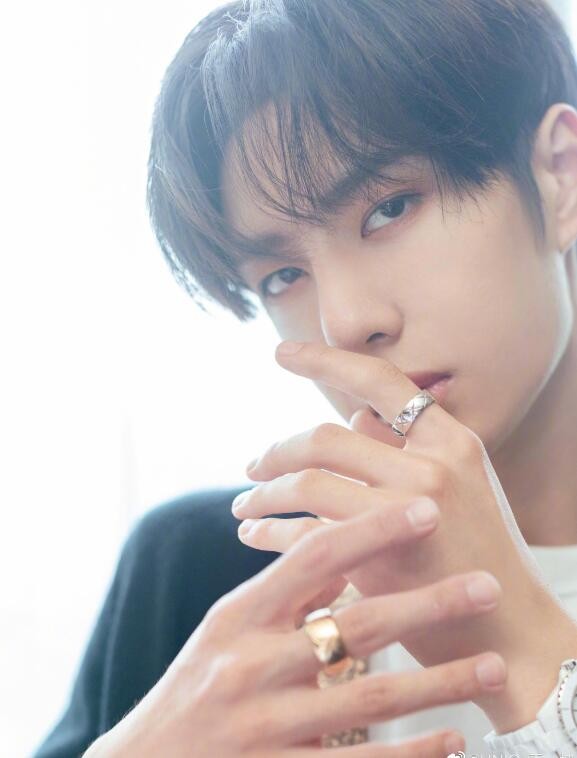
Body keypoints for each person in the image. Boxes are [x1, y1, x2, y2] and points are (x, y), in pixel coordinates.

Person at [33, 0, 577, 755]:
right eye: (283, 275)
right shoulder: (201, 573)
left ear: (557, 175)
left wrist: (527, 653)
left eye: (389, 208)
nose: (345, 321)